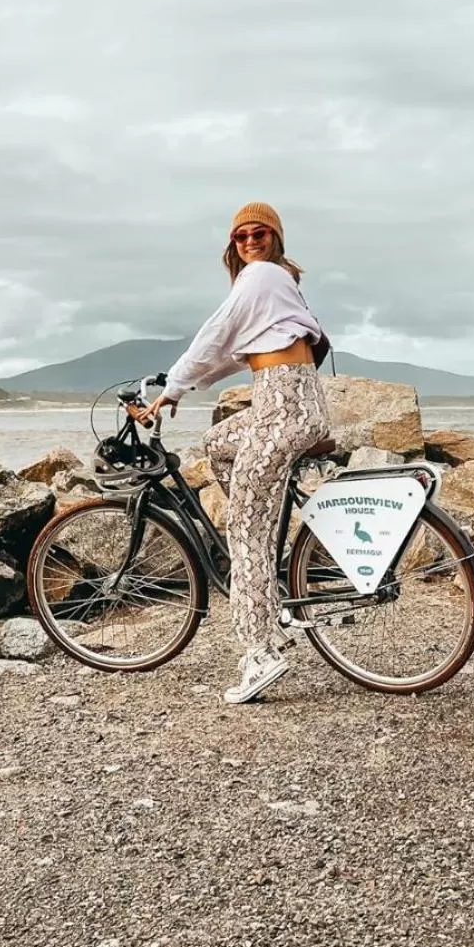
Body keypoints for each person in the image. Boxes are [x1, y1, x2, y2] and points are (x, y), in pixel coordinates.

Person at [136, 202, 329, 703]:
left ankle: (261, 651)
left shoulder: (261, 275)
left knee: (244, 534)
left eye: (259, 232)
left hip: (282, 409)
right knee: (218, 444)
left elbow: (216, 333)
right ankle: (270, 575)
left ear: (275, 237)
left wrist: (177, 382)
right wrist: (175, 389)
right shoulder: (275, 282)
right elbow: (231, 353)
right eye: (240, 235)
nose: (249, 240)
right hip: (283, 403)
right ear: (232, 244)